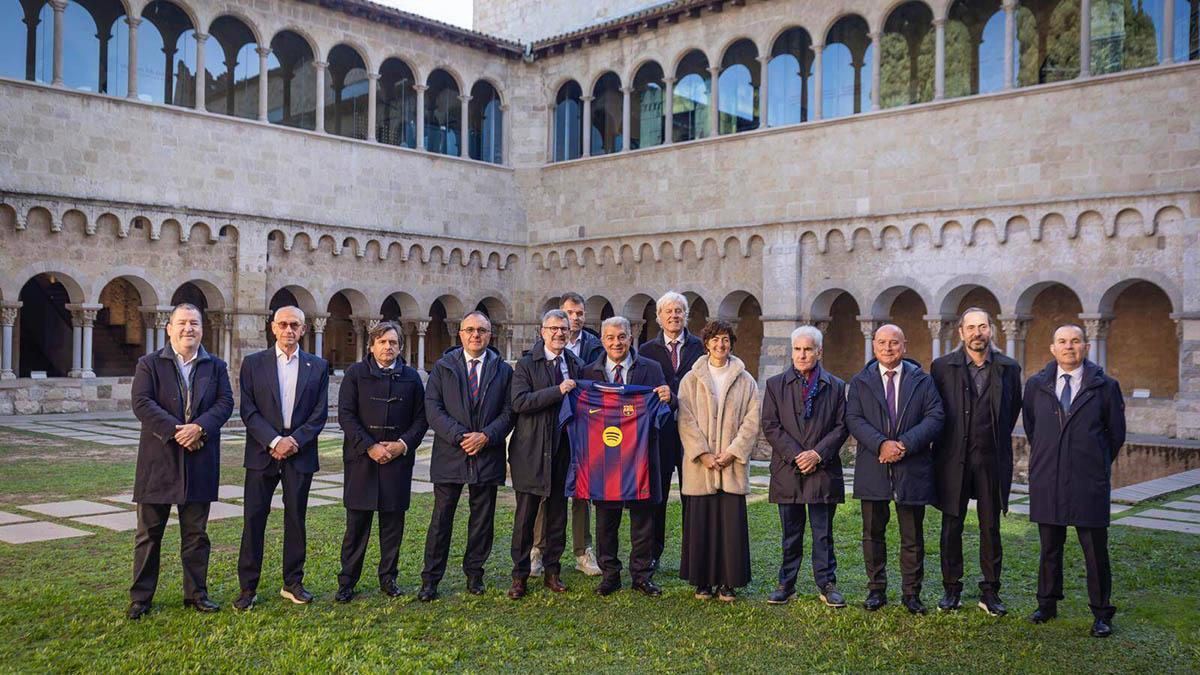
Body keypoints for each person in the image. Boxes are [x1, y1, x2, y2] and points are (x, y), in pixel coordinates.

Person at [127, 303, 234, 619]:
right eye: (183, 323)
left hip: (199, 459)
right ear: (169, 328)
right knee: (149, 534)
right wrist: (178, 432)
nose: (189, 328)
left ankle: (196, 594)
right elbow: (141, 403)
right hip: (159, 461)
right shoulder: (149, 364)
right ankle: (141, 598)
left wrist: (199, 427)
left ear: (202, 329)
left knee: (196, 535)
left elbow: (225, 402)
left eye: (195, 323)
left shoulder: (215, 366)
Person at [1023, 324, 1125, 638]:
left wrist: (1093, 463)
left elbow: (1115, 435)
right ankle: (1047, 603)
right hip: (1048, 478)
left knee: (1095, 550)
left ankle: (1101, 613)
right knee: (1049, 547)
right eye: (1063, 341)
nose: (1069, 347)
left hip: (1087, 481)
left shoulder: (1105, 386)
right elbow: (1033, 428)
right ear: (1052, 348)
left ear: (1086, 346)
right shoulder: (1036, 385)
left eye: (1076, 341)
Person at [234, 305, 329, 610]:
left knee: (295, 519)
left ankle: (293, 583)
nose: (289, 330)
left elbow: (319, 414)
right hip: (263, 451)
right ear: (273, 328)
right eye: (284, 324)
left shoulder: (318, 366)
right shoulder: (252, 364)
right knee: (253, 519)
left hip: (299, 452)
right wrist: (274, 441)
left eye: (295, 325)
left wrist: (294, 441)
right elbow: (248, 410)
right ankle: (248, 588)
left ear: (304, 330)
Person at [845, 324, 944, 614]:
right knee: (872, 533)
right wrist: (881, 445)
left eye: (894, 343)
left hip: (911, 466)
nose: (888, 348)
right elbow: (853, 418)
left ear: (905, 346)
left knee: (911, 535)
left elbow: (936, 416)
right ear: (874, 346)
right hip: (874, 465)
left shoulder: (921, 380)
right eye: (882, 343)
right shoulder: (861, 381)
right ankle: (876, 589)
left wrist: (903, 444)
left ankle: (911, 593)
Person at [930, 308, 1022, 616]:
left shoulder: (1009, 368)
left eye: (982, 326)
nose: (977, 333)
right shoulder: (942, 367)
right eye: (971, 327)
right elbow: (937, 411)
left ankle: (990, 591)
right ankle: (951, 589)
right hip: (952, 458)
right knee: (951, 525)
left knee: (990, 526)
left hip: (991, 458)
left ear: (992, 330)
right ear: (961, 333)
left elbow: (1011, 411)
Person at [419, 311, 514, 601]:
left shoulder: (503, 370)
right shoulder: (443, 367)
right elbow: (433, 409)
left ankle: (475, 575)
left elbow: (510, 411)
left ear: (490, 335)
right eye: (470, 330)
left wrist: (486, 436)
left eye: (482, 330)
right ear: (460, 334)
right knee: (441, 519)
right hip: (451, 452)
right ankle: (431, 579)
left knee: (482, 519)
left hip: (487, 452)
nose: (476, 335)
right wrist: (461, 436)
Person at [334, 321, 428, 603]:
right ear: (372, 345)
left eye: (394, 343)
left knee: (392, 526)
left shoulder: (411, 378)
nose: (388, 347)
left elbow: (422, 419)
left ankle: (389, 578)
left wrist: (401, 445)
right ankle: (347, 581)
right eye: (383, 342)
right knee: (356, 526)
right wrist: (370, 446)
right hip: (362, 461)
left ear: (401, 347)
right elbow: (346, 416)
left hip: (396, 462)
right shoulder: (355, 374)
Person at [579, 316, 673, 596]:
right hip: (603, 459)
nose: (616, 342)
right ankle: (610, 575)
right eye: (610, 337)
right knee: (606, 519)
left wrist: (670, 397)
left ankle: (642, 575)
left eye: (621, 337)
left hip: (640, 456)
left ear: (631, 339)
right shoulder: (589, 373)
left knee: (643, 518)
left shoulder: (652, 369)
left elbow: (664, 410)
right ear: (602, 340)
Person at [761, 325, 849, 607]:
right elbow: (771, 426)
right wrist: (798, 455)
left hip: (823, 470)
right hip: (789, 470)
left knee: (823, 533)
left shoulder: (835, 386)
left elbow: (841, 426)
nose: (802, 354)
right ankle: (786, 583)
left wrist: (817, 454)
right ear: (792, 351)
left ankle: (827, 583)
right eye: (797, 349)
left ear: (819, 352)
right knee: (791, 532)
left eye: (808, 349)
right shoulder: (775, 385)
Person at [676, 319, 760, 601]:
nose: (720, 345)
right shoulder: (691, 379)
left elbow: (752, 420)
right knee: (702, 523)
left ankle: (728, 582)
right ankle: (703, 581)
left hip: (731, 465)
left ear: (731, 343)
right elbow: (685, 419)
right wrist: (703, 453)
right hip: (701, 466)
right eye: (715, 339)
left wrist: (733, 452)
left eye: (725, 339)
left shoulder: (745, 379)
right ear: (707, 343)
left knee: (730, 526)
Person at [507, 309, 583, 599]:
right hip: (531, 451)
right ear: (542, 332)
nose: (559, 333)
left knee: (556, 516)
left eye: (563, 329)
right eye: (553, 328)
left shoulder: (575, 364)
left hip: (563, 451)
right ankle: (520, 576)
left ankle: (553, 571)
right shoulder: (527, 364)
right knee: (525, 517)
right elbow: (519, 402)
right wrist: (557, 391)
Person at [530, 292, 601, 577]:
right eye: (569, 313)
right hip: (547, 432)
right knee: (545, 493)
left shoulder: (595, 346)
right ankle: (538, 548)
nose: (574, 318)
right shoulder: (538, 352)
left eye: (579, 313)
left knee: (581, 492)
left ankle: (583, 550)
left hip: (580, 430)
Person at [637, 290, 706, 571]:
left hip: (693, 431)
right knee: (658, 495)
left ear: (686, 315)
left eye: (679, 311)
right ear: (659, 317)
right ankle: (652, 553)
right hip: (660, 433)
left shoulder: (700, 348)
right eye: (668, 311)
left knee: (693, 495)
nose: (674, 316)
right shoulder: (646, 351)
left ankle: (693, 556)